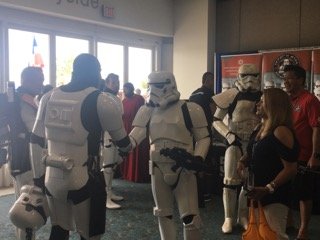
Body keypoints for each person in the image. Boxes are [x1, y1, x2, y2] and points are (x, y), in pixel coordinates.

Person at [29, 53, 132, 240]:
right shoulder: (102, 100)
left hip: (51, 179)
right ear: (96, 73)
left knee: (59, 228)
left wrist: (37, 179)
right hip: (85, 178)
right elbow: (124, 143)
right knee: (89, 234)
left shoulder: (48, 97)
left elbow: (35, 141)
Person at [129, 71, 210, 239]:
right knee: (162, 214)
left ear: (170, 84)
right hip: (157, 167)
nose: (154, 90)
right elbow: (136, 134)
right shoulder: (147, 110)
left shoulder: (190, 109)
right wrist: (123, 145)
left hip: (183, 167)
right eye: (150, 86)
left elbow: (203, 138)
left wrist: (198, 158)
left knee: (190, 217)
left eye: (158, 86)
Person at [239, 87, 299, 240]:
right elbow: (254, 150)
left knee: (274, 235)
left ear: (273, 105)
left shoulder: (281, 131)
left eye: (262, 101)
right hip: (256, 192)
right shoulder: (260, 128)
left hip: (274, 195)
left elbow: (291, 169)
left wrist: (268, 188)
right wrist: (242, 161)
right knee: (258, 234)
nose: (257, 104)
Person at [212, 63, 262, 233]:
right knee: (230, 181)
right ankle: (228, 218)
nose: (250, 79)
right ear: (238, 77)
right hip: (235, 142)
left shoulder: (263, 96)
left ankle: (243, 216)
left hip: (254, 144)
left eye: (254, 75)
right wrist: (229, 136)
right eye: (245, 75)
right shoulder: (231, 95)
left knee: (249, 182)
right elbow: (216, 120)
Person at [283, 64, 320, 240]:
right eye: (285, 77)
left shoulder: (310, 100)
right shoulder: (286, 100)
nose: (286, 81)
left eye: (290, 77)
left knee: (303, 194)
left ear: (300, 80)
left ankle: (303, 229)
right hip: (286, 155)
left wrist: (315, 154)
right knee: (287, 189)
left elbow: (316, 129)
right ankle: (289, 222)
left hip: (304, 155)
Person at [8, 66, 44, 240]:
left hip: (19, 159)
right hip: (27, 160)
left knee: (22, 203)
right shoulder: (24, 100)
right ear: (28, 80)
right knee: (28, 210)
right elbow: (35, 133)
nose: (42, 83)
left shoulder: (16, 98)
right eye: (40, 79)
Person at [189, 71, 215, 207]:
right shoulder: (210, 94)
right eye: (213, 80)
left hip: (191, 133)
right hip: (204, 132)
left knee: (195, 159)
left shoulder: (193, 93)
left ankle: (195, 191)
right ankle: (205, 193)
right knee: (206, 161)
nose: (214, 82)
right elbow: (214, 112)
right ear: (208, 80)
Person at [101, 73, 125, 209]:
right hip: (106, 136)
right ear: (107, 83)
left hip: (115, 134)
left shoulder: (115, 98)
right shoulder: (103, 98)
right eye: (113, 82)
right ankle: (105, 196)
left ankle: (109, 192)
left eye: (117, 82)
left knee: (113, 164)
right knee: (108, 166)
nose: (117, 85)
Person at [121, 82, 150, 183]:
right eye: (124, 90)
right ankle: (128, 174)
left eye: (126, 89)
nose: (124, 92)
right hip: (126, 129)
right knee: (128, 151)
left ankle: (138, 175)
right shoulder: (123, 101)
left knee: (137, 150)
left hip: (137, 128)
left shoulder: (139, 99)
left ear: (131, 89)